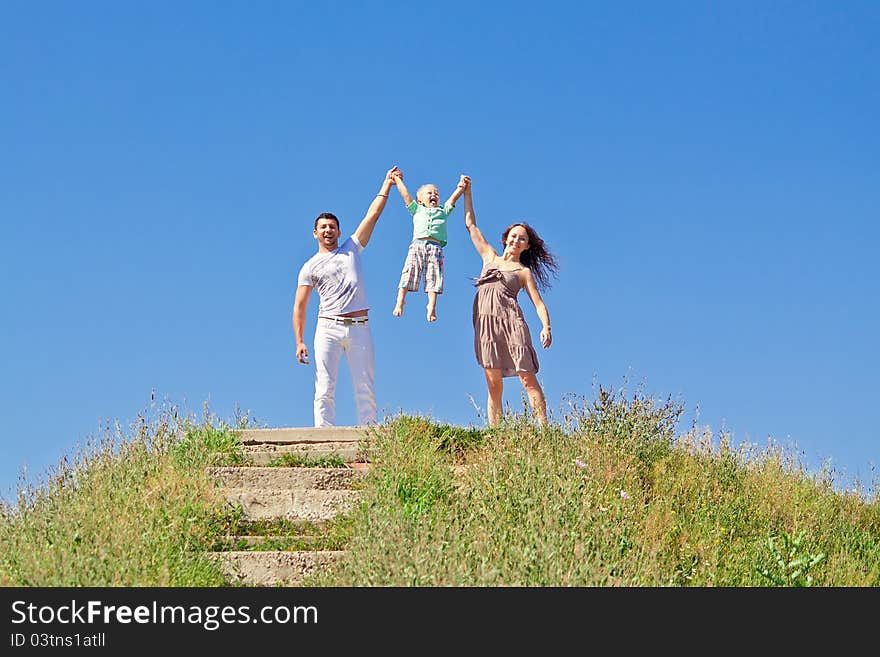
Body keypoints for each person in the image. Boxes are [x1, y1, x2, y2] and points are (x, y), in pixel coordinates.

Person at [292, 166, 399, 427]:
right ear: (315, 233)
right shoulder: (309, 267)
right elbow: (300, 306)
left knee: (365, 386)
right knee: (324, 387)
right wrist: (299, 341)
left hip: (359, 327)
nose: (328, 230)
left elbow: (372, 216)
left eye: (332, 227)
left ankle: (370, 433)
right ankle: (322, 436)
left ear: (339, 232)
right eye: (323, 227)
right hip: (327, 327)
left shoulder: (352, 249)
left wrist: (386, 185)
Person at [462, 176, 558, 426]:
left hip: (511, 323)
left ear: (527, 246)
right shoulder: (489, 258)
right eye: (513, 236)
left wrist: (546, 326)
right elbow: (471, 225)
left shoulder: (522, 272)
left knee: (527, 377)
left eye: (522, 238)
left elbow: (538, 303)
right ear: (506, 238)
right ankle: (495, 433)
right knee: (493, 383)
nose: (516, 240)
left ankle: (544, 429)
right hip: (486, 325)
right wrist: (467, 192)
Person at [391, 171, 469, 322]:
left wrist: (461, 187)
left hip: (435, 248)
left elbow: (452, 200)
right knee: (409, 271)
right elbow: (405, 195)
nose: (434, 195)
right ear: (420, 200)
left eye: (436, 193)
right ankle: (400, 301)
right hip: (418, 245)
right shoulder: (417, 209)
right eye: (429, 193)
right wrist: (397, 180)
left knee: (434, 277)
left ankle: (431, 307)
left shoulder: (442, 211)